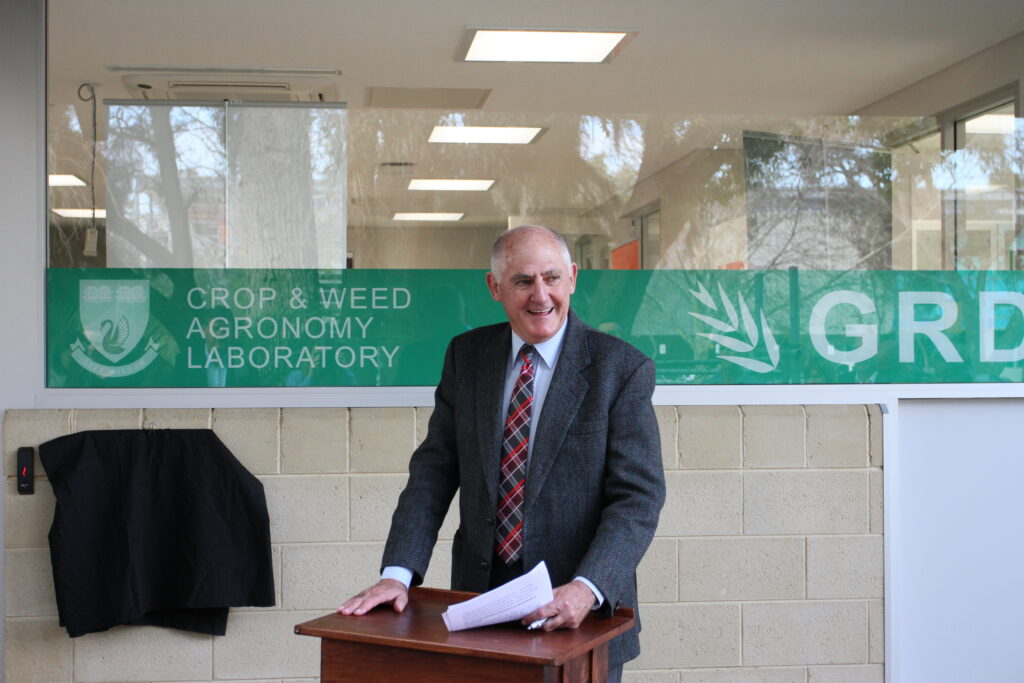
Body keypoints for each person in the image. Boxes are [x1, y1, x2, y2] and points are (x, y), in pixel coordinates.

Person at [340, 225, 665, 679]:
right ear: (494, 287)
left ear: (572, 277)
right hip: (478, 605)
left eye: (552, 278)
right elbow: (434, 472)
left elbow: (638, 499)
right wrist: (399, 573)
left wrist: (587, 588)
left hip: (577, 614)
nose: (541, 295)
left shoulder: (621, 369)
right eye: (522, 281)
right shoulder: (467, 357)